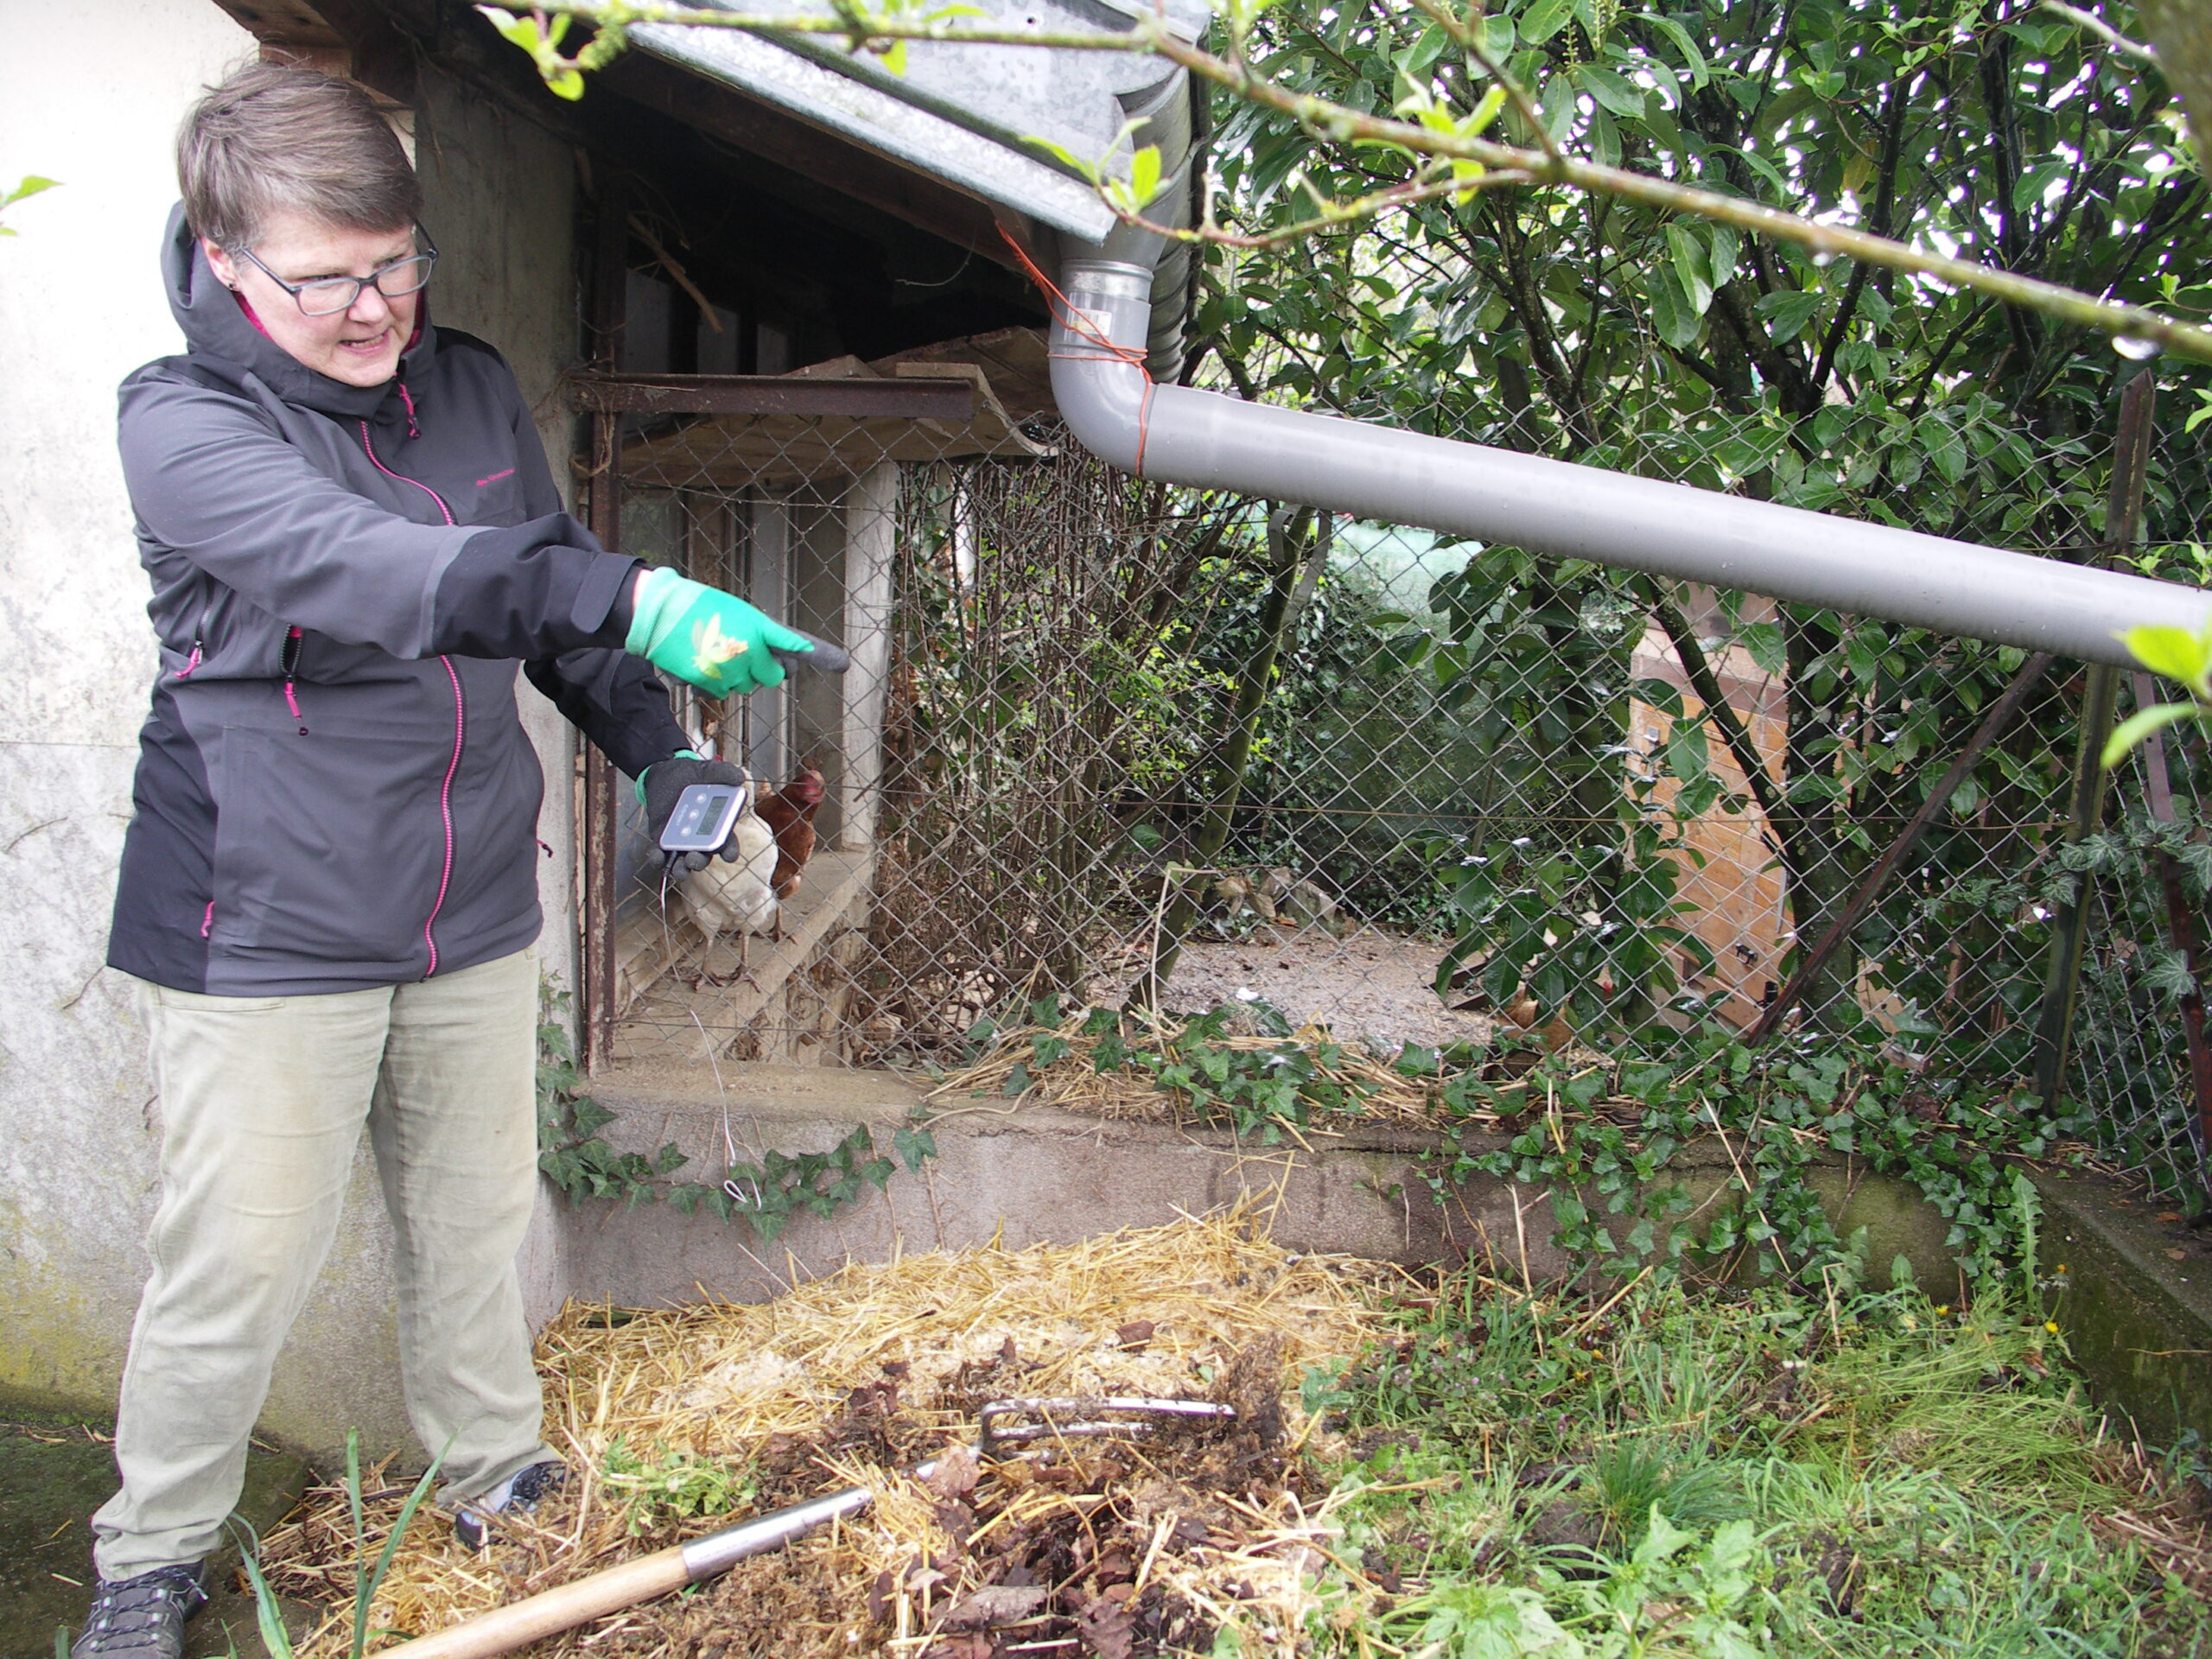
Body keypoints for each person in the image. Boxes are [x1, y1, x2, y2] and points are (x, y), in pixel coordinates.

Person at [73, 61, 798, 1659]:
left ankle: (495, 1475)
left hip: (467, 900)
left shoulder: (461, 384)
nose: (373, 305)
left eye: (397, 261)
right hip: (263, 916)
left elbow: (545, 602)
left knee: (473, 1222)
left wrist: (666, 751)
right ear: (222, 256)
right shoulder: (181, 420)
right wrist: (629, 594)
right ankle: (151, 1553)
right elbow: (368, 568)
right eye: (324, 277)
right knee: (240, 1262)